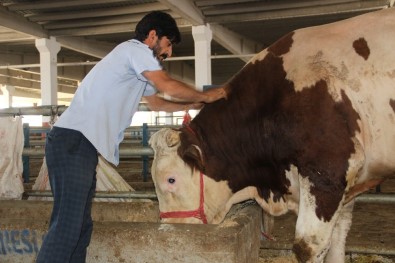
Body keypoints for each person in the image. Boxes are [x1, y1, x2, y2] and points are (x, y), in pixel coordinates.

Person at [36, 11, 226, 263]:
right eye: (168, 44)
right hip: (73, 141)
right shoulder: (135, 50)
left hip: (81, 146)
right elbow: (167, 85)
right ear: (152, 36)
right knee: (68, 226)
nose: (168, 53)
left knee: (81, 226)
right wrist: (207, 95)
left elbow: (157, 103)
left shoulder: (135, 66)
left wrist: (193, 104)